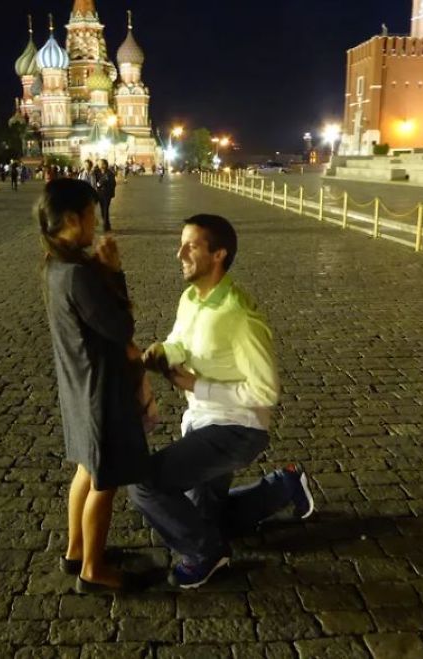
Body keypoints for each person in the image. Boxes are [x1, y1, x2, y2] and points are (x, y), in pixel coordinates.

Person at [129, 214, 315, 589]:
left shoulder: (238, 316)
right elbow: (182, 340)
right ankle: (283, 486)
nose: (180, 253)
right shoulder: (191, 298)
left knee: (144, 483)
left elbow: (266, 391)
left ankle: (206, 554)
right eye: (181, 244)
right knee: (206, 519)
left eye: (191, 246)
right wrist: (163, 351)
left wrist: (199, 386)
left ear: (219, 255)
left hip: (237, 428)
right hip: (201, 420)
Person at [38, 178, 152, 594]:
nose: (95, 222)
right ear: (72, 219)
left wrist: (101, 271)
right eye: (90, 214)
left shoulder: (55, 265)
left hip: (78, 383)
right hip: (101, 390)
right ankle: (92, 569)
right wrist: (116, 273)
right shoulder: (77, 275)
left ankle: (75, 551)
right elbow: (121, 328)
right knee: (105, 481)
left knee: (87, 470)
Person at [95, 159, 116, 232]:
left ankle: (105, 225)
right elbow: (94, 181)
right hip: (99, 193)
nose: (99, 165)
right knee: (102, 209)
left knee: (106, 209)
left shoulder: (110, 173)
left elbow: (113, 184)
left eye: (100, 163)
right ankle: (107, 224)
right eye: (98, 163)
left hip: (107, 194)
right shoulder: (96, 172)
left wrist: (103, 183)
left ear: (104, 165)